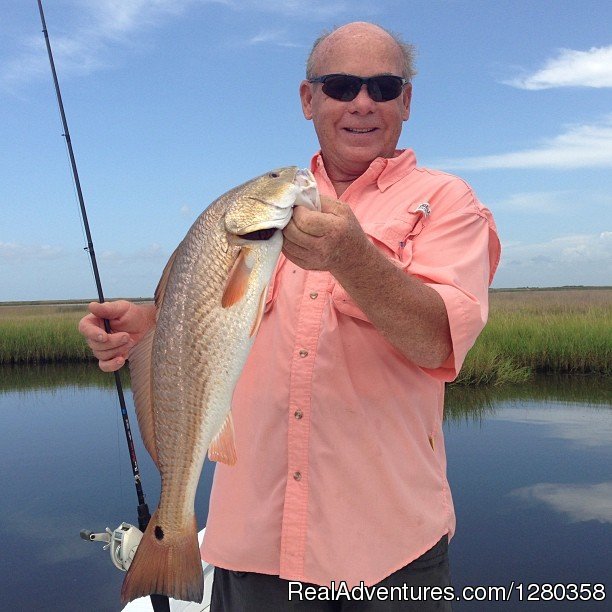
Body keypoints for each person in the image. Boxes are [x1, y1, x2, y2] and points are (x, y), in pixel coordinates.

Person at [79, 22, 500, 611]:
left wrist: (353, 257)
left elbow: (438, 342)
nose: (361, 102)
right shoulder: (253, 216)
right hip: (254, 542)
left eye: (382, 86)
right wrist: (150, 327)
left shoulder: (448, 202)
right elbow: (221, 323)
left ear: (406, 101)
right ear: (309, 100)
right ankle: (171, 535)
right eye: (340, 85)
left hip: (391, 548)